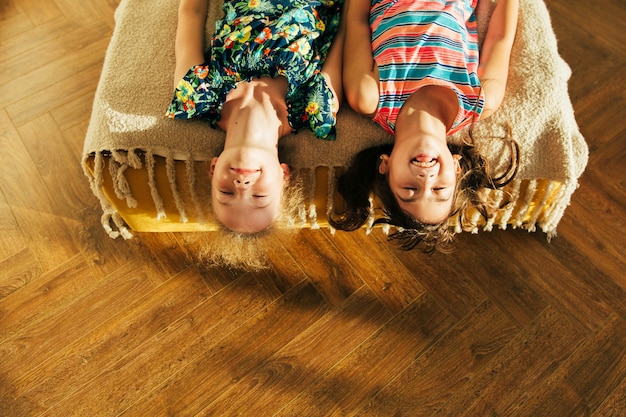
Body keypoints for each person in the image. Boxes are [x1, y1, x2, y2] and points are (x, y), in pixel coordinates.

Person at [330, 0, 519, 252]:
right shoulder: (480, 100)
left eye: (410, 189)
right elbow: (500, 38)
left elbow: (356, 20)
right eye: (440, 189)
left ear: (385, 166)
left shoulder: (369, 95)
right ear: (457, 167)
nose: (426, 179)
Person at [167, 0, 345, 235]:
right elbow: (343, 33)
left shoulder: (196, 94)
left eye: (226, 193)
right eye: (259, 196)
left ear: (213, 168)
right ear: (284, 175)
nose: (242, 186)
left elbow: (192, 12)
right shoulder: (317, 106)